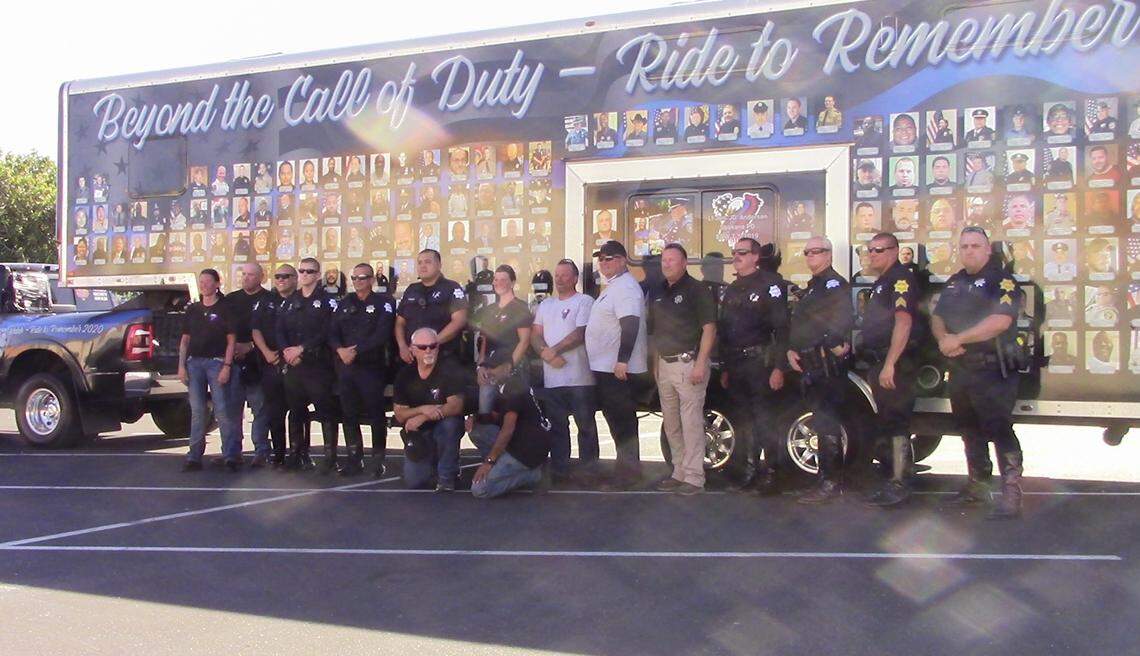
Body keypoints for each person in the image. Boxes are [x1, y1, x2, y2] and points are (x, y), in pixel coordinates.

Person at [932, 226, 1026, 519]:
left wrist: (958, 339)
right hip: (961, 369)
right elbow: (937, 316)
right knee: (969, 429)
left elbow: (1000, 321)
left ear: (988, 249)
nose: (969, 251)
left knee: (999, 429)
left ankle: (1011, 494)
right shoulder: (955, 282)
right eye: (964, 246)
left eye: (975, 246)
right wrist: (943, 341)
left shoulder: (1002, 280)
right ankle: (978, 488)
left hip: (992, 371)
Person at [786, 237, 854, 504]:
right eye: (807, 252)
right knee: (820, 421)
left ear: (828, 254)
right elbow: (803, 322)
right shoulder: (814, 287)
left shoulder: (833, 285)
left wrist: (835, 344)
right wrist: (792, 349)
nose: (811, 256)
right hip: (810, 364)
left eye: (817, 251)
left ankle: (830, 482)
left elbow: (840, 317)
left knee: (827, 424)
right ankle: (825, 479)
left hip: (827, 365)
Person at [718, 239, 788, 494]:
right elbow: (725, 330)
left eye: (742, 253)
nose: (736, 256)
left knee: (764, 420)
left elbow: (782, 329)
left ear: (756, 256)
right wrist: (725, 366)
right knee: (743, 420)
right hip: (736, 364)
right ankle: (748, 472)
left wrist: (779, 367)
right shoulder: (733, 288)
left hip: (760, 363)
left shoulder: (771, 285)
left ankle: (772, 474)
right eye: (734, 253)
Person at [647, 243, 716, 495]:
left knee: (691, 423)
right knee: (672, 424)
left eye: (672, 260)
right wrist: (655, 366)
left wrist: (700, 363)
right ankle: (679, 471)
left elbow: (709, 328)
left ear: (684, 263)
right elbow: (655, 333)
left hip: (689, 364)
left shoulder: (697, 290)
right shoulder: (657, 292)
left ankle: (695, 477)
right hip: (665, 365)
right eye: (664, 260)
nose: (666, 264)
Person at [859, 233, 922, 507]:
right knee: (886, 421)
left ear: (895, 251)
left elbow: (903, 322)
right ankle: (890, 480)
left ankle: (900, 482)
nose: (873, 255)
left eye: (880, 250)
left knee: (897, 422)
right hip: (879, 361)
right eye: (870, 250)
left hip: (895, 364)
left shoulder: (900, 279)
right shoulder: (882, 282)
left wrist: (890, 364)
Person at [585, 240, 649, 488]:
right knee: (615, 420)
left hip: (618, 370)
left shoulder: (626, 288)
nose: (604, 262)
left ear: (623, 260)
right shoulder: (613, 286)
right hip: (606, 368)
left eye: (609, 258)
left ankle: (629, 475)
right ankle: (625, 470)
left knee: (623, 422)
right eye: (601, 258)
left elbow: (630, 324)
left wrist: (622, 359)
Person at [531, 259, 600, 481]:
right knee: (558, 428)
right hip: (553, 379)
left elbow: (580, 333)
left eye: (564, 275)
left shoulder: (585, 301)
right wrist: (545, 353)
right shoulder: (545, 305)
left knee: (585, 427)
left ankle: (588, 471)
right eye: (557, 275)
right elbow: (534, 334)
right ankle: (560, 470)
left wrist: (554, 350)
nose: (560, 279)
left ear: (575, 279)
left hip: (580, 378)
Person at [330, 263, 396, 476]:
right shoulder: (344, 303)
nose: (358, 281)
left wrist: (355, 351)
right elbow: (332, 331)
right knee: (349, 414)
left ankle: (377, 460)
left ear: (372, 280)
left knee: (376, 414)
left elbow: (383, 334)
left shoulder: (383, 303)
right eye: (355, 277)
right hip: (346, 367)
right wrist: (340, 350)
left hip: (371, 367)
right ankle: (353, 459)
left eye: (363, 277)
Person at [276, 258, 339, 472]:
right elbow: (280, 329)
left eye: (309, 271)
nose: (304, 275)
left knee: (325, 412)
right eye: (301, 271)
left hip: (318, 364)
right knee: (295, 411)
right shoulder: (289, 301)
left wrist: (302, 348)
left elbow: (328, 331)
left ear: (318, 275)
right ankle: (297, 454)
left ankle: (330, 458)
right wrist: (287, 352)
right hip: (294, 365)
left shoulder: (328, 301)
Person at [178, 269, 239, 471]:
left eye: (207, 281)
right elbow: (185, 340)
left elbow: (231, 341)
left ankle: (230, 455)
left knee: (222, 410)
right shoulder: (193, 310)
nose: (203, 285)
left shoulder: (225, 309)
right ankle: (194, 456)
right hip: (194, 363)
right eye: (201, 281)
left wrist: (227, 366)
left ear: (217, 284)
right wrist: (181, 366)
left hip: (216, 362)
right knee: (197, 411)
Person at [393, 327, 467, 491]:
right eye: (422, 347)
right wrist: (423, 409)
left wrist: (424, 416)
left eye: (433, 346)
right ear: (412, 349)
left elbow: (456, 405)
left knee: (451, 424)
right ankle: (432, 465)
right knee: (415, 482)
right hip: (419, 434)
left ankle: (447, 477)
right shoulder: (405, 375)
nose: (428, 350)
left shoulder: (449, 370)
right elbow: (399, 414)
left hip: (442, 428)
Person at [470, 366, 554, 498]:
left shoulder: (513, 389)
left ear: (507, 368)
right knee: (479, 431)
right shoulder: (509, 385)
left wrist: (489, 461)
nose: (488, 372)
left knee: (479, 489)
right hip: (530, 441)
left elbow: (507, 430)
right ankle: (503, 467)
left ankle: (534, 475)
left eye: (493, 368)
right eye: (486, 368)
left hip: (526, 450)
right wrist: (474, 418)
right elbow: (497, 418)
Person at [222, 263, 273, 468]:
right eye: (244, 274)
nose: (246, 278)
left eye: (251, 275)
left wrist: (250, 346)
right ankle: (232, 453)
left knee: (260, 408)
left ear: (261, 277)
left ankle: (261, 450)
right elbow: (222, 328)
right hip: (233, 362)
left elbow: (272, 330)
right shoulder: (231, 300)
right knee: (233, 410)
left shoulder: (269, 300)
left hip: (258, 363)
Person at [251, 264, 298, 467]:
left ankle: (298, 454)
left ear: (295, 279)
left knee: (297, 412)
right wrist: (267, 353)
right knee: (274, 413)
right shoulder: (266, 301)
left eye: (286, 276)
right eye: (278, 276)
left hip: (295, 364)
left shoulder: (300, 300)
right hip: (271, 363)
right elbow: (256, 330)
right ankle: (278, 455)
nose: (281, 280)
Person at [395, 249, 468, 364]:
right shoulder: (411, 289)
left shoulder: (451, 287)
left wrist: (430, 345)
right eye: (419, 263)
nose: (423, 266)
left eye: (428, 262)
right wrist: (402, 346)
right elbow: (400, 323)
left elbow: (459, 320)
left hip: (443, 357)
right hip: (412, 357)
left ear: (439, 265)